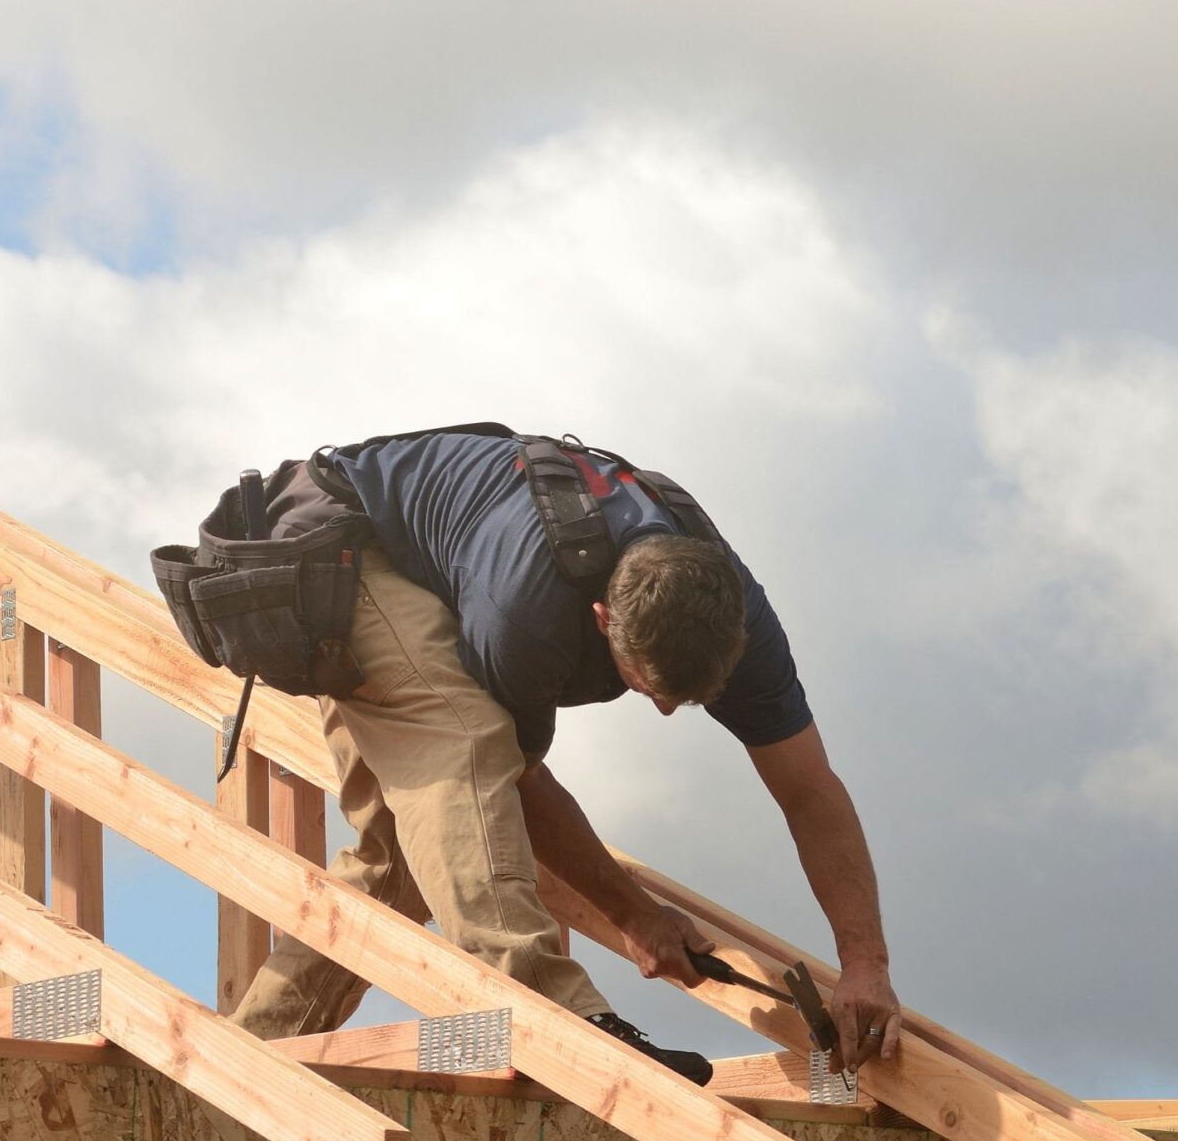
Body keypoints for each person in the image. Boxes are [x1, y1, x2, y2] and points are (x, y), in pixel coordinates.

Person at [225, 426, 900, 1086]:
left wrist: (866, 962)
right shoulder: (526, 608)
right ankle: (548, 1010)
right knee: (464, 747)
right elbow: (508, 783)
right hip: (332, 551)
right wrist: (635, 914)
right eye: (646, 685)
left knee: (407, 856)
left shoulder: (738, 614)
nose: (663, 710)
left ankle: (245, 1060)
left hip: (414, 562)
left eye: (687, 700)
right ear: (604, 618)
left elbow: (809, 789)